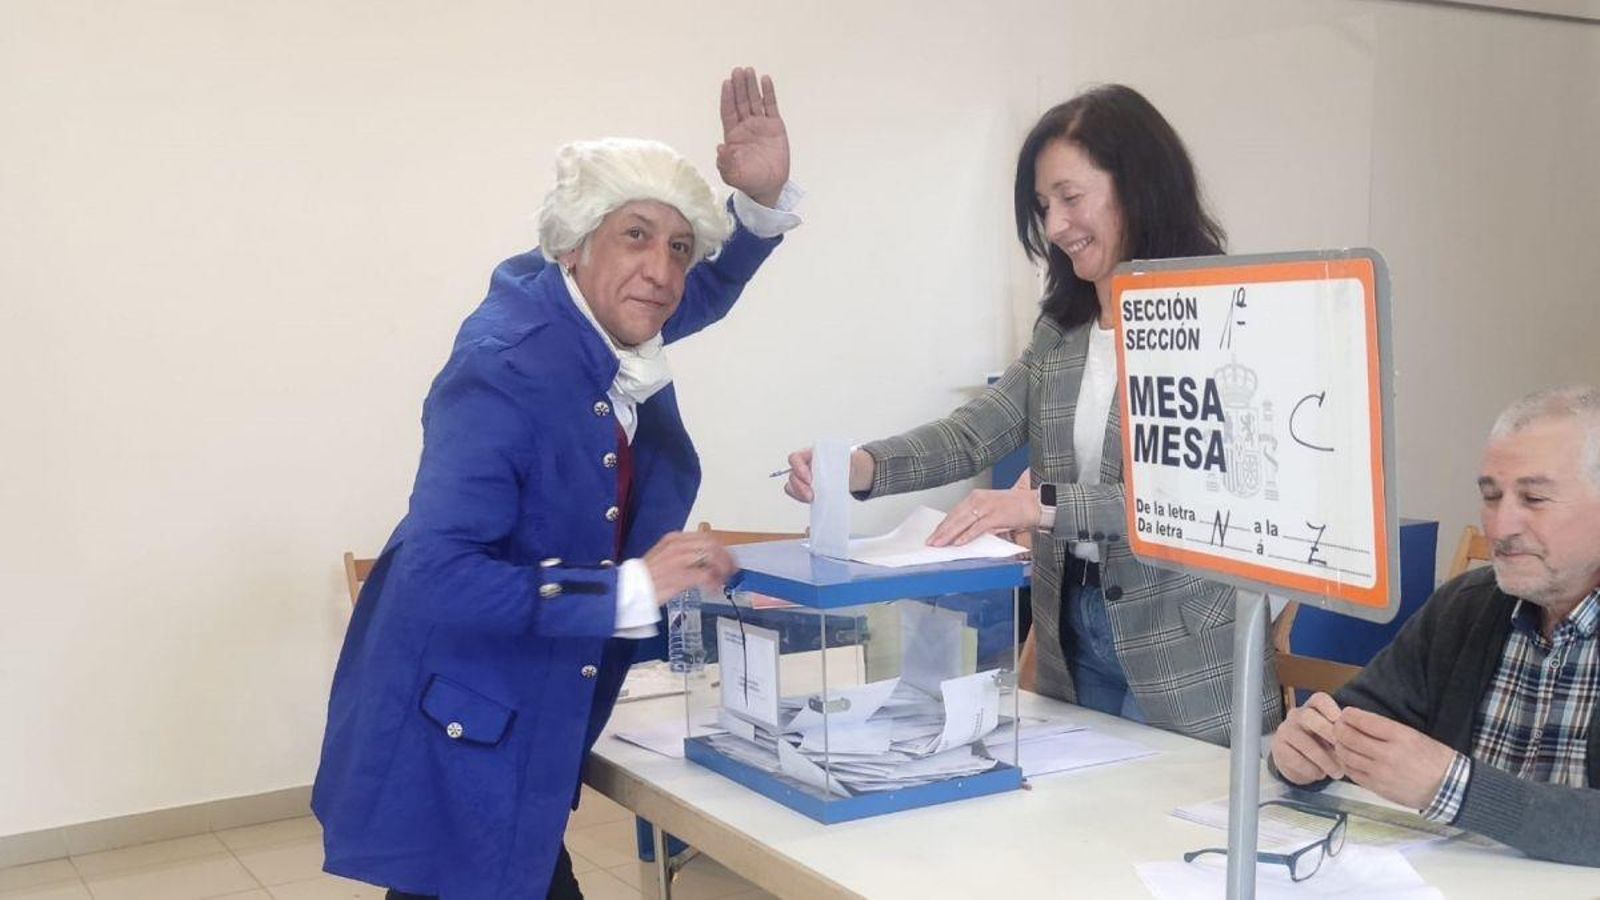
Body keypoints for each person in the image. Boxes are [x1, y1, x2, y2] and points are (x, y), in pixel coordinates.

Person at [312, 68, 800, 899]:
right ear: (575, 244)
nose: (662, 271)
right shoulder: (500, 369)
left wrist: (757, 204)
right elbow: (438, 574)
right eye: (636, 236)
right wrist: (633, 588)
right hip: (459, 721)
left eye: (679, 247)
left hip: (506, 714)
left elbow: (696, 291)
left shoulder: (592, 309)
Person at [783, 84, 1279, 745]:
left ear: (1138, 185)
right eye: (1044, 208)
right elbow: (974, 432)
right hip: (1071, 631)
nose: (1056, 227)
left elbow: (1188, 499)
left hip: (1183, 645)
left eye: (1070, 198)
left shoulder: (1220, 320)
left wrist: (1037, 506)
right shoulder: (1063, 329)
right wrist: (861, 467)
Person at [1271, 385, 1600, 866]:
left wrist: (1453, 787)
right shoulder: (1466, 607)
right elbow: (1353, 720)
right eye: (1491, 496)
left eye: (1533, 498)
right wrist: (1303, 752)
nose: (1500, 527)